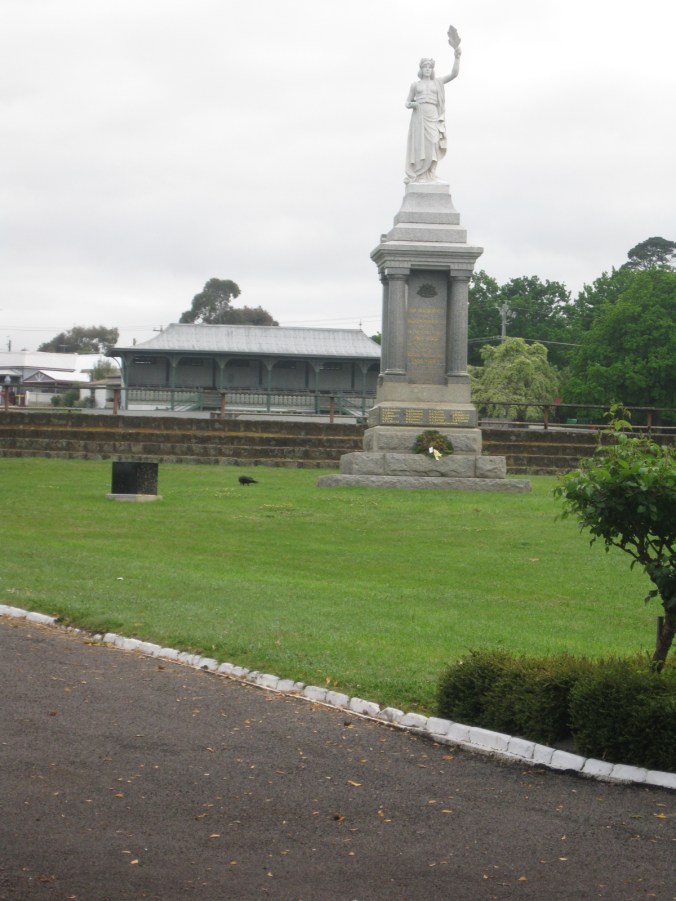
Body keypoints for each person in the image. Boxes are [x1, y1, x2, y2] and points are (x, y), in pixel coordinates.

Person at [404, 30, 461, 184]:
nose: (427, 69)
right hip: (420, 116)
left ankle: (431, 174)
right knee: (421, 146)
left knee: (434, 144)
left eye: (429, 66)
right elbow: (407, 103)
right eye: (425, 67)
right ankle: (421, 176)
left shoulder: (438, 82)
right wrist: (414, 104)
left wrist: (457, 56)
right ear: (421, 69)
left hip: (434, 115)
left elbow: (454, 74)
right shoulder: (415, 85)